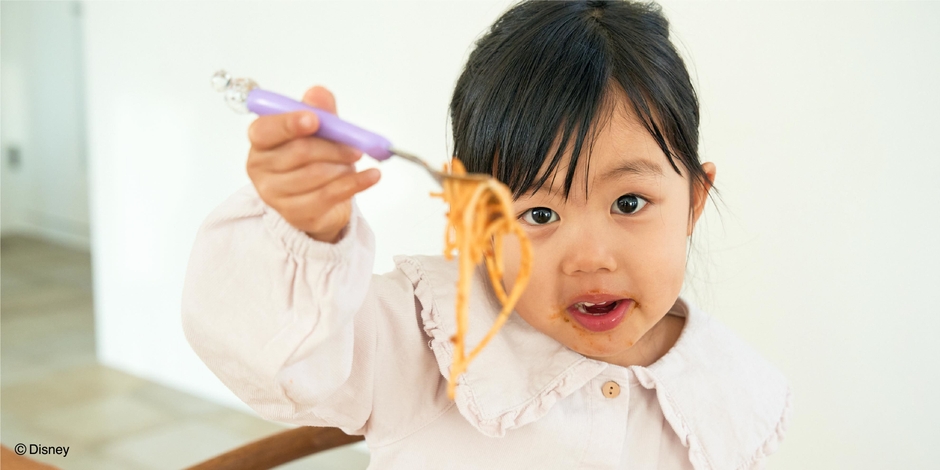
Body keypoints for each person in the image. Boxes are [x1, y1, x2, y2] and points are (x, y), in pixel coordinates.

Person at [182, 1, 791, 468]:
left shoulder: (734, 394)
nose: (590, 258)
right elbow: (281, 361)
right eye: (539, 215)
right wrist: (302, 232)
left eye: (629, 202)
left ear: (694, 202)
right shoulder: (423, 340)